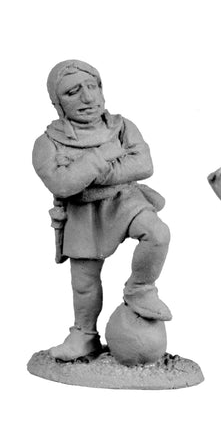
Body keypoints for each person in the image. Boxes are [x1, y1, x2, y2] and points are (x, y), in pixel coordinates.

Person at [33, 60, 171, 361]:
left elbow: (143, 165)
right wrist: (103, 156)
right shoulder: (47, 143)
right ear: (58, 102)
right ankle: (84, 335)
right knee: (84, 284)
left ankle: (140, 288)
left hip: (125, 200)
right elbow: (63, 184)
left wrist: (88, 173)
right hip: (82, 214)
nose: (87, 97)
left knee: (157, 234)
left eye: (92, 86)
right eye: (73, 92)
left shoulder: (121, 127)